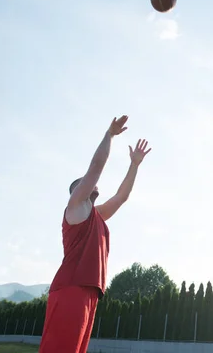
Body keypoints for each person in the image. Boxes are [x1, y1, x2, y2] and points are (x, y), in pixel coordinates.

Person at [39, 115, 152, 353]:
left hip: (89, 290)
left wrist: (134, 165)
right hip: (71, 287)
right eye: (84, 183)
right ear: (78, 190)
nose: (91, 183)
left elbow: (121, 197)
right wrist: (109, 135)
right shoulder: (75, 207)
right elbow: (96, 167)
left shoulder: (96, 215)